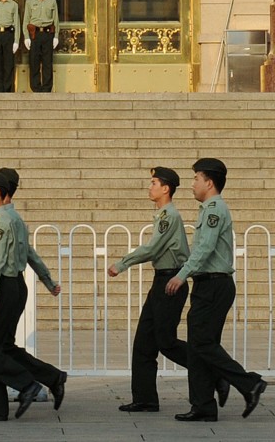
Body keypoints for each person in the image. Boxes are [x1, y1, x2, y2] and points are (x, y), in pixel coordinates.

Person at [165, 158, 267, 421]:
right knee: (201, 346)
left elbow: (205, 247)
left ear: (209, 182)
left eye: (196, 179)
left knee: (202, 343)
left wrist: (181, 274)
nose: (192, 184)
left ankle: (247, 383)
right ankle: (203, 405)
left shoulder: (213, 210)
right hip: (208, 285)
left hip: (214, 284)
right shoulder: (210, 209)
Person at [0, 168, 65, 417]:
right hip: (13, 286)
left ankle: (27, 385)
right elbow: (29, 254)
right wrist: (48, 281)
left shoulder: (0, 221)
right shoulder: (15, 219)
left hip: (1, 287)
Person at [108, 166, 198, 413]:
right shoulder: (162, 215)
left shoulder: (169, 216)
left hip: (171, 283)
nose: (150, 187)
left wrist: (122, 263)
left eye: (154, 183)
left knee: (166, 342)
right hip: (161, 281)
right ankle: (145, 398)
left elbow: (152, 249)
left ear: (166, 188)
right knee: (143, 344)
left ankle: (211, 370)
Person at [22, 0, 60, 92]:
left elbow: (56, 21)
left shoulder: (52, 2)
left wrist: (56, 36)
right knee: (34, 62)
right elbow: (26, 21)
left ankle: (47, 88)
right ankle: (36, 87)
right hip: (35, 34)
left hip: (48, 34)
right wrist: (26, 37)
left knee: (47, 62)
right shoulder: (30, 2)